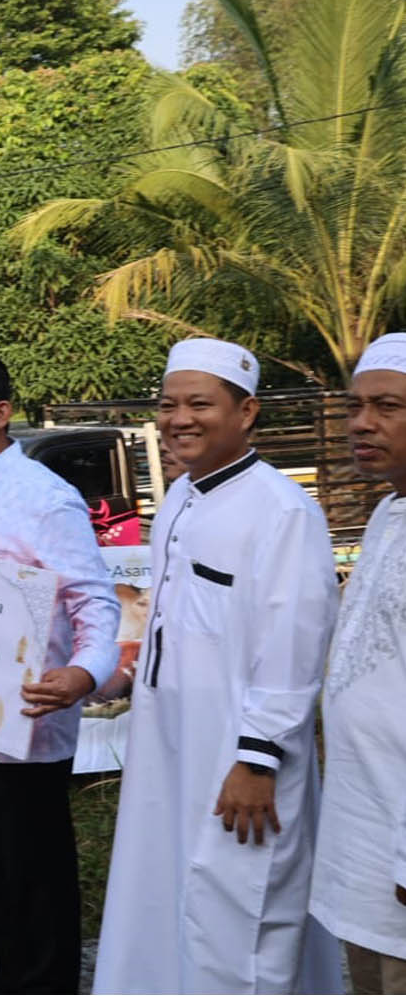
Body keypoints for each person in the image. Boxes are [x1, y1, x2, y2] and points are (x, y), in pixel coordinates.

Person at [93, 338, 341, 994]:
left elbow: (294, 645)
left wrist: (257, 758)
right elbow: (172, 621)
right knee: (165, 896)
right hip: (166, 746)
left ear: (248, 410)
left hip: (240, 757)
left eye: (200, 403)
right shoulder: (178, 498)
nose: (180, 418)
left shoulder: (283, 510)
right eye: (169, 404)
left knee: (241, 916)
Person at [0, 340, 120, 994]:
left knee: (34, 869)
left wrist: (84, 674)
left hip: (28, 723)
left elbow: (93, 602)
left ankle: (47, 979)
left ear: (1, 410)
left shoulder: (44, 496)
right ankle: (13, 972)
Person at [310, 332, 406, 995]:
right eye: (355, 406)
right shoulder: (386, 515)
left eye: (388, 406)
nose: (362, 423)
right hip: (363, 844)